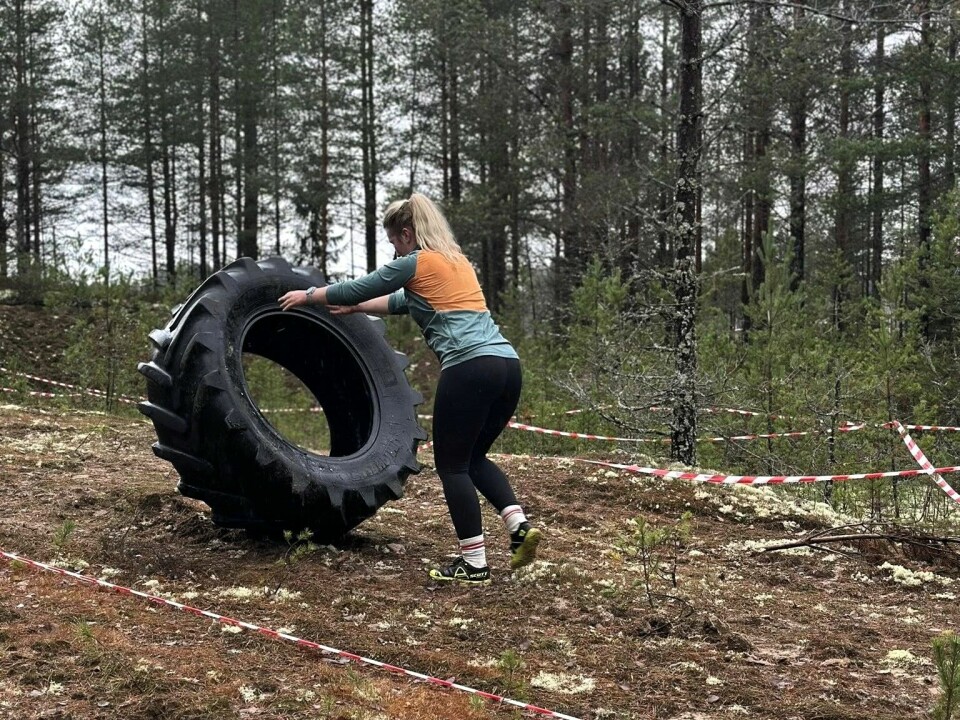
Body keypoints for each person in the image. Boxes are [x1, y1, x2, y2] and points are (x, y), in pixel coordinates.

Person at [278, 193, 542, 585]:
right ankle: (518, 524)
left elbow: (363, 285)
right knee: (473, 459)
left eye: (394, 243)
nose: (395, 251)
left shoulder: (418, 260)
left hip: (469, 367)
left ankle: (474, 563)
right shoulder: (456, 262)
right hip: (506, 366)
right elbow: (404, 300)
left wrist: (310, 296)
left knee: (451, 465)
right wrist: (360, 308)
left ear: (406, 234)